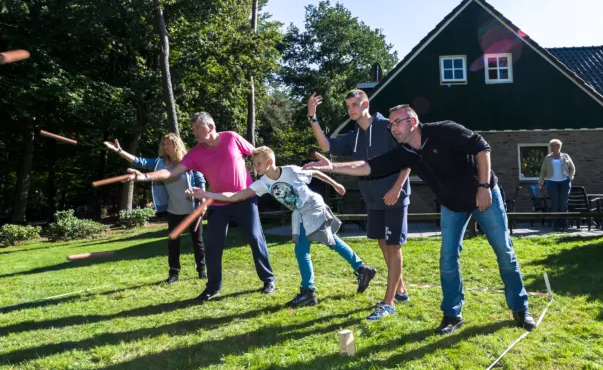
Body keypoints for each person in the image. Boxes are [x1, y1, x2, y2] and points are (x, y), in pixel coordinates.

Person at [304, 104, 536, 333]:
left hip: (483, 195)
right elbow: (367, 166)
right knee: (447, 259)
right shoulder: (404, 152)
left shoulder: (444, 130)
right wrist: (332, 167)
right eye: (390, 125)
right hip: (452, 205)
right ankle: (452, 314)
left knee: (504, 251)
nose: (392, 128)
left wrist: (484, 186)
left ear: (412, 122)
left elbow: (482, 147)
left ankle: (520, 308)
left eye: (397, 123)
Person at [187, 146, 377, 308]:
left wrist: (335, 184)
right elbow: (235, 196)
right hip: (301, 212)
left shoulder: (291, 171)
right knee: (329, 241)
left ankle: (309, 292)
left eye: (258, 163)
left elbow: (316, 172)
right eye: (254, 163)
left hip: (312, 207)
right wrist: (206, 193)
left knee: (302, 249)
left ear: (270, 161)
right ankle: (361, 269)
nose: (255, 167)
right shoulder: (263, 183)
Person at [126, 112, 275, 302]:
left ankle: (268, 279)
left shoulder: (231, 138)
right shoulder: (196, 153)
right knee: (212, 246)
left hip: (245, 199)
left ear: (210, 127)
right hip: (218, 203)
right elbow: (173, 172)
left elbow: (257, 154)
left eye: (198, 128)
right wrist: (144, 177)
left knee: (255, 238)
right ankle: (213, 288)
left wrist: (269, 176)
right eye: (193, 129)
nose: (194, 132)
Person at [307, 90, 411, 320]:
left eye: (354, 105)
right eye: (348, 107)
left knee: (394, 247)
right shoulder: (353, 136)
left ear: (366, 104)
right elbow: (327, 147)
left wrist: (396, 188)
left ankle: (389, 302)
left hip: (395, 196)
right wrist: (312, 117)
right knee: (383, 244)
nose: (351, 110)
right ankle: (401, 290)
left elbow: (408, 157)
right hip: (373, 199)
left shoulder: (387, 126)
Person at [105, 134, 207, 284]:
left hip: (193, 210)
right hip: (174, 211)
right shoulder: (160, 163)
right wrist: (120, 151)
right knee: (173, 244)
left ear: (176, 145)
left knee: (197, 242)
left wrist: (203, 202)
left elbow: (200, 181)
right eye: (163, 144)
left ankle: (201, 270)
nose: (165, 146)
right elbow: (141, 162)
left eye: (168, 143)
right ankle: (174, 273)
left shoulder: (188, 160)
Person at [537, 139, 576, 231]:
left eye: (556, 146)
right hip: (552, 182)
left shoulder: (566, 156)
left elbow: (572, 168)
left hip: (564, 182)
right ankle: (556, 225)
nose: (554, 148)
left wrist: (570, 176)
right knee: (555, 203)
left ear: (559, 147)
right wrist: (540, 182)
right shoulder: (547, 158)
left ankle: (564, 224)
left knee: (563, 203)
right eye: (552, 146)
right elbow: (543, 170)